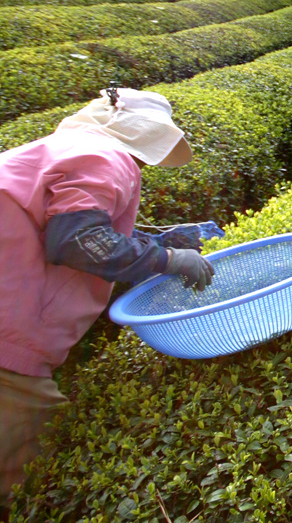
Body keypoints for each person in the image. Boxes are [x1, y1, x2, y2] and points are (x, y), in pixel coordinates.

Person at [1, 88, 217, 505]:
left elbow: (65, 226)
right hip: (8, 334)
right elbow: (79, 241)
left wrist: (153, 241)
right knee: (34, 445)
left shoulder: (56, 149)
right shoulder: (106, 156)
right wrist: (167, 258)